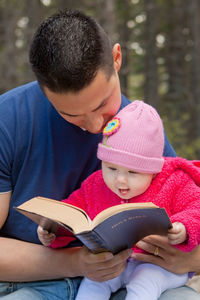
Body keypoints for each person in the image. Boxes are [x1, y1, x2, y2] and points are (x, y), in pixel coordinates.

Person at [0, 7, 198, 300]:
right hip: (32, 283)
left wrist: (191, 259)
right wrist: (76, 262)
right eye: (71, 115)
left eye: (102, 104)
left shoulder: (141, 131)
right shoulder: (8, 119)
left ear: (117, 59)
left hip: (125, 281)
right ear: (44, 91)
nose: (95, 127)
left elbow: (189, 208)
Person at [37, 100, 200, 300]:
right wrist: (54, 229)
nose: (120, 179)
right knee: (94, 282)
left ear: (153, 169)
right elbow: (73, 211)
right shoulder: (96, 184)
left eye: (133, 172)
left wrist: (184, 228)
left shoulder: (174, 181)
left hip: (161, 267)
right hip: (116, 264)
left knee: (144, 282)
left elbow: (196, 207)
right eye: (111, 168)